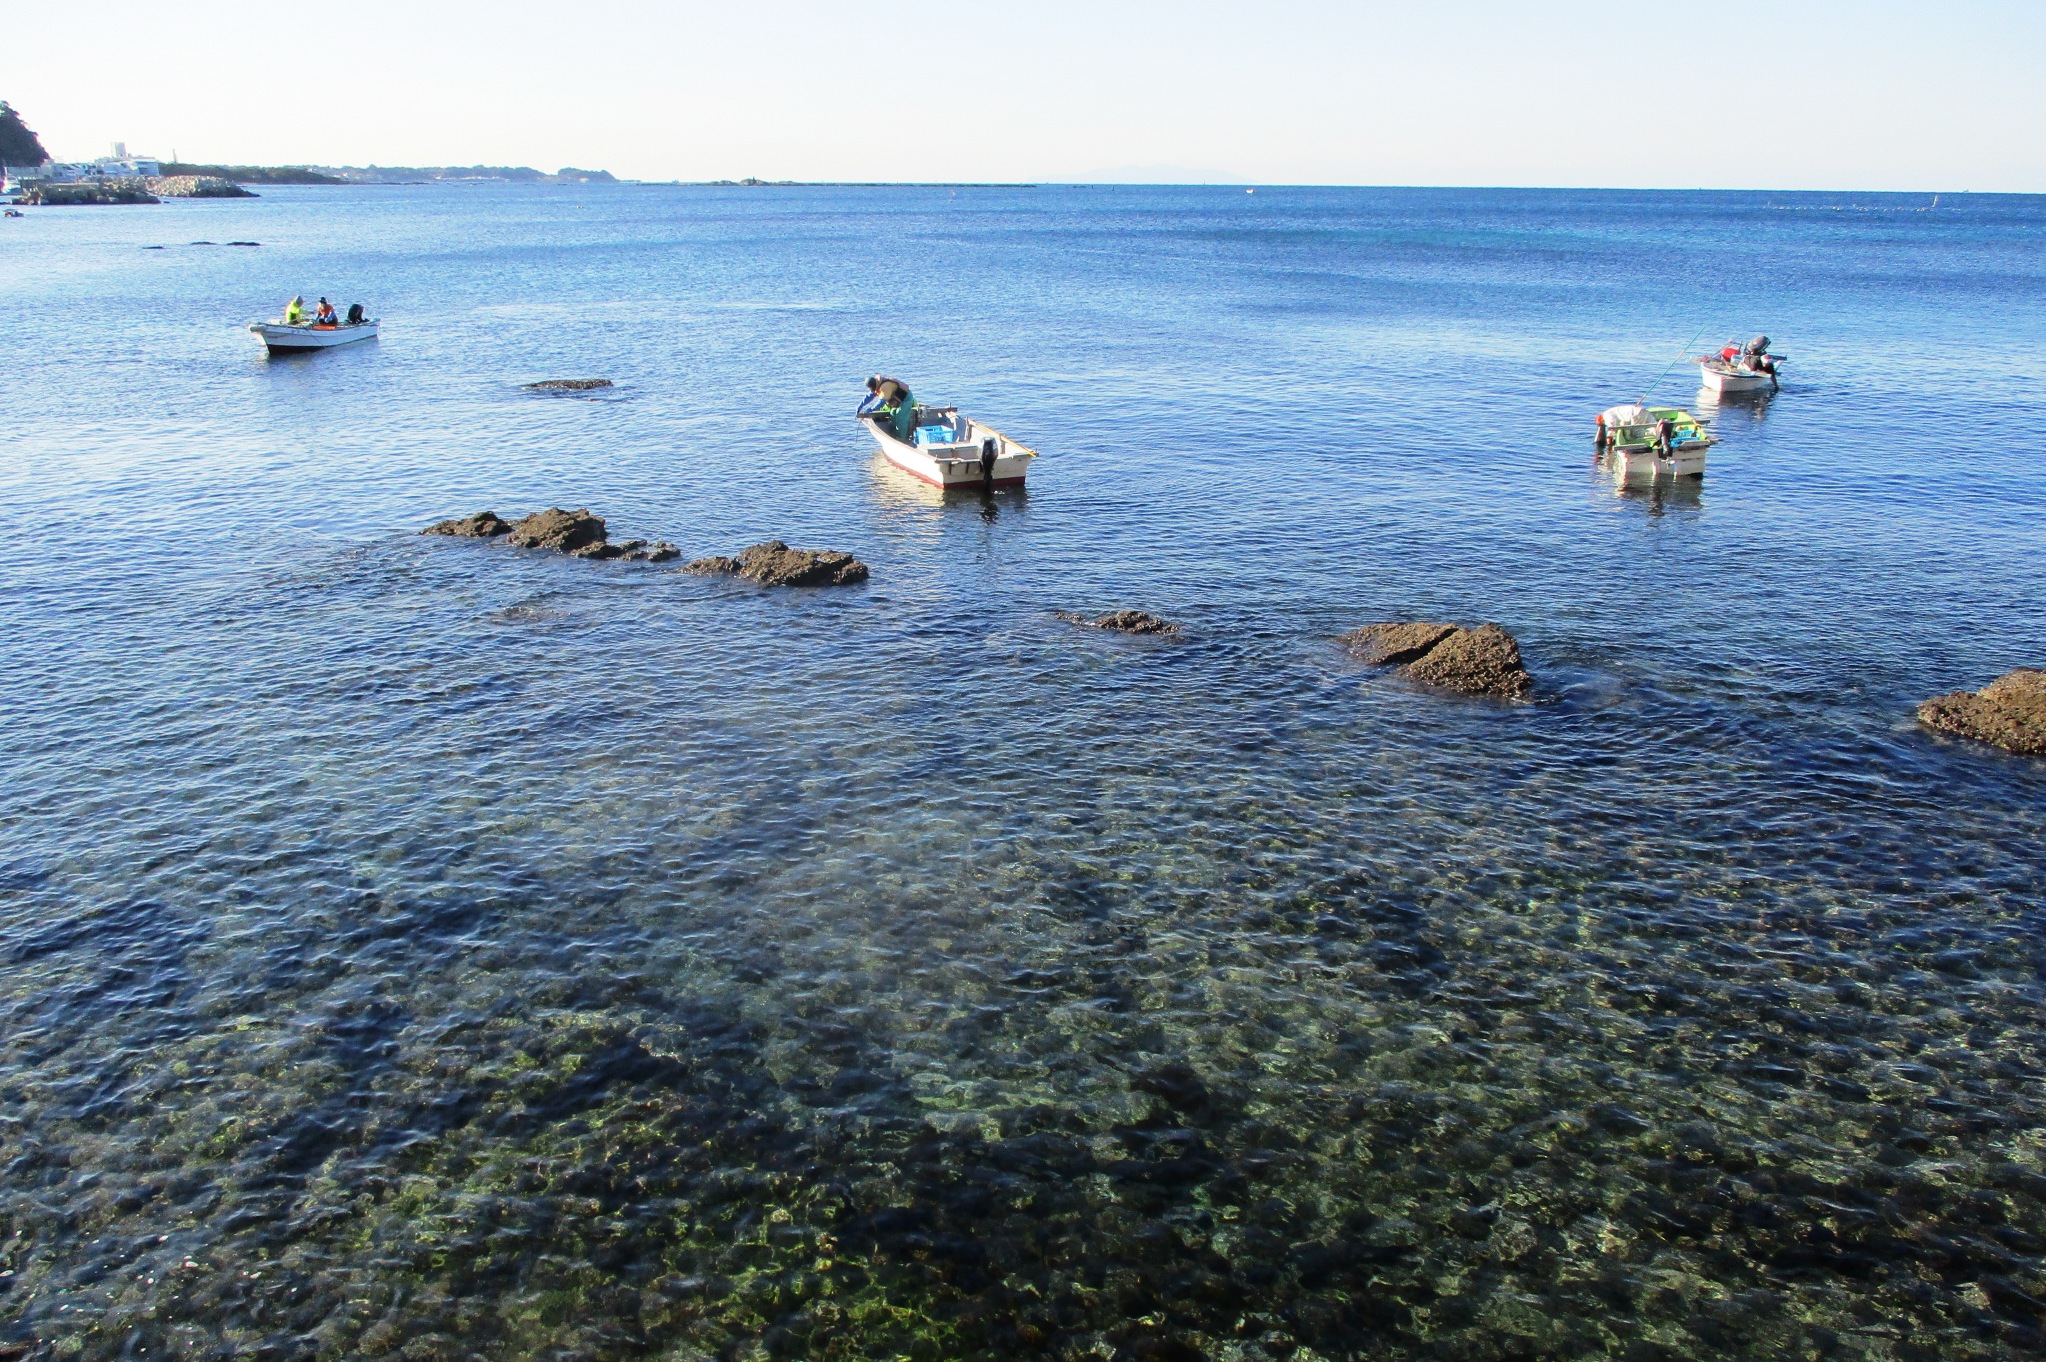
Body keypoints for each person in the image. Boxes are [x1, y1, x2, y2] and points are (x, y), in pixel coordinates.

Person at [857, 375, 917, 442]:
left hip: (906, 399)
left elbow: (881, 402)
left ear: (874, 384)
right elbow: (869, 396)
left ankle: (902, 439)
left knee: (900, 416)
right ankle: (894, 436)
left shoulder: (885, 386)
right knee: (893, 414)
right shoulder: (877, 385)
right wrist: (861, 405)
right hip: (898, 401)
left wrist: (871, 409)